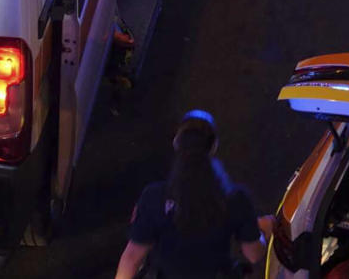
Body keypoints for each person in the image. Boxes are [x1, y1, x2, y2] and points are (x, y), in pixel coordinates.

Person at [115, 110, 270, 279]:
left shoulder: (154, 196)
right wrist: (262, 230)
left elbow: (132, 258)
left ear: (176, 143)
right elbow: (254, 254)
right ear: (213, 146)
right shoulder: (235, 198)